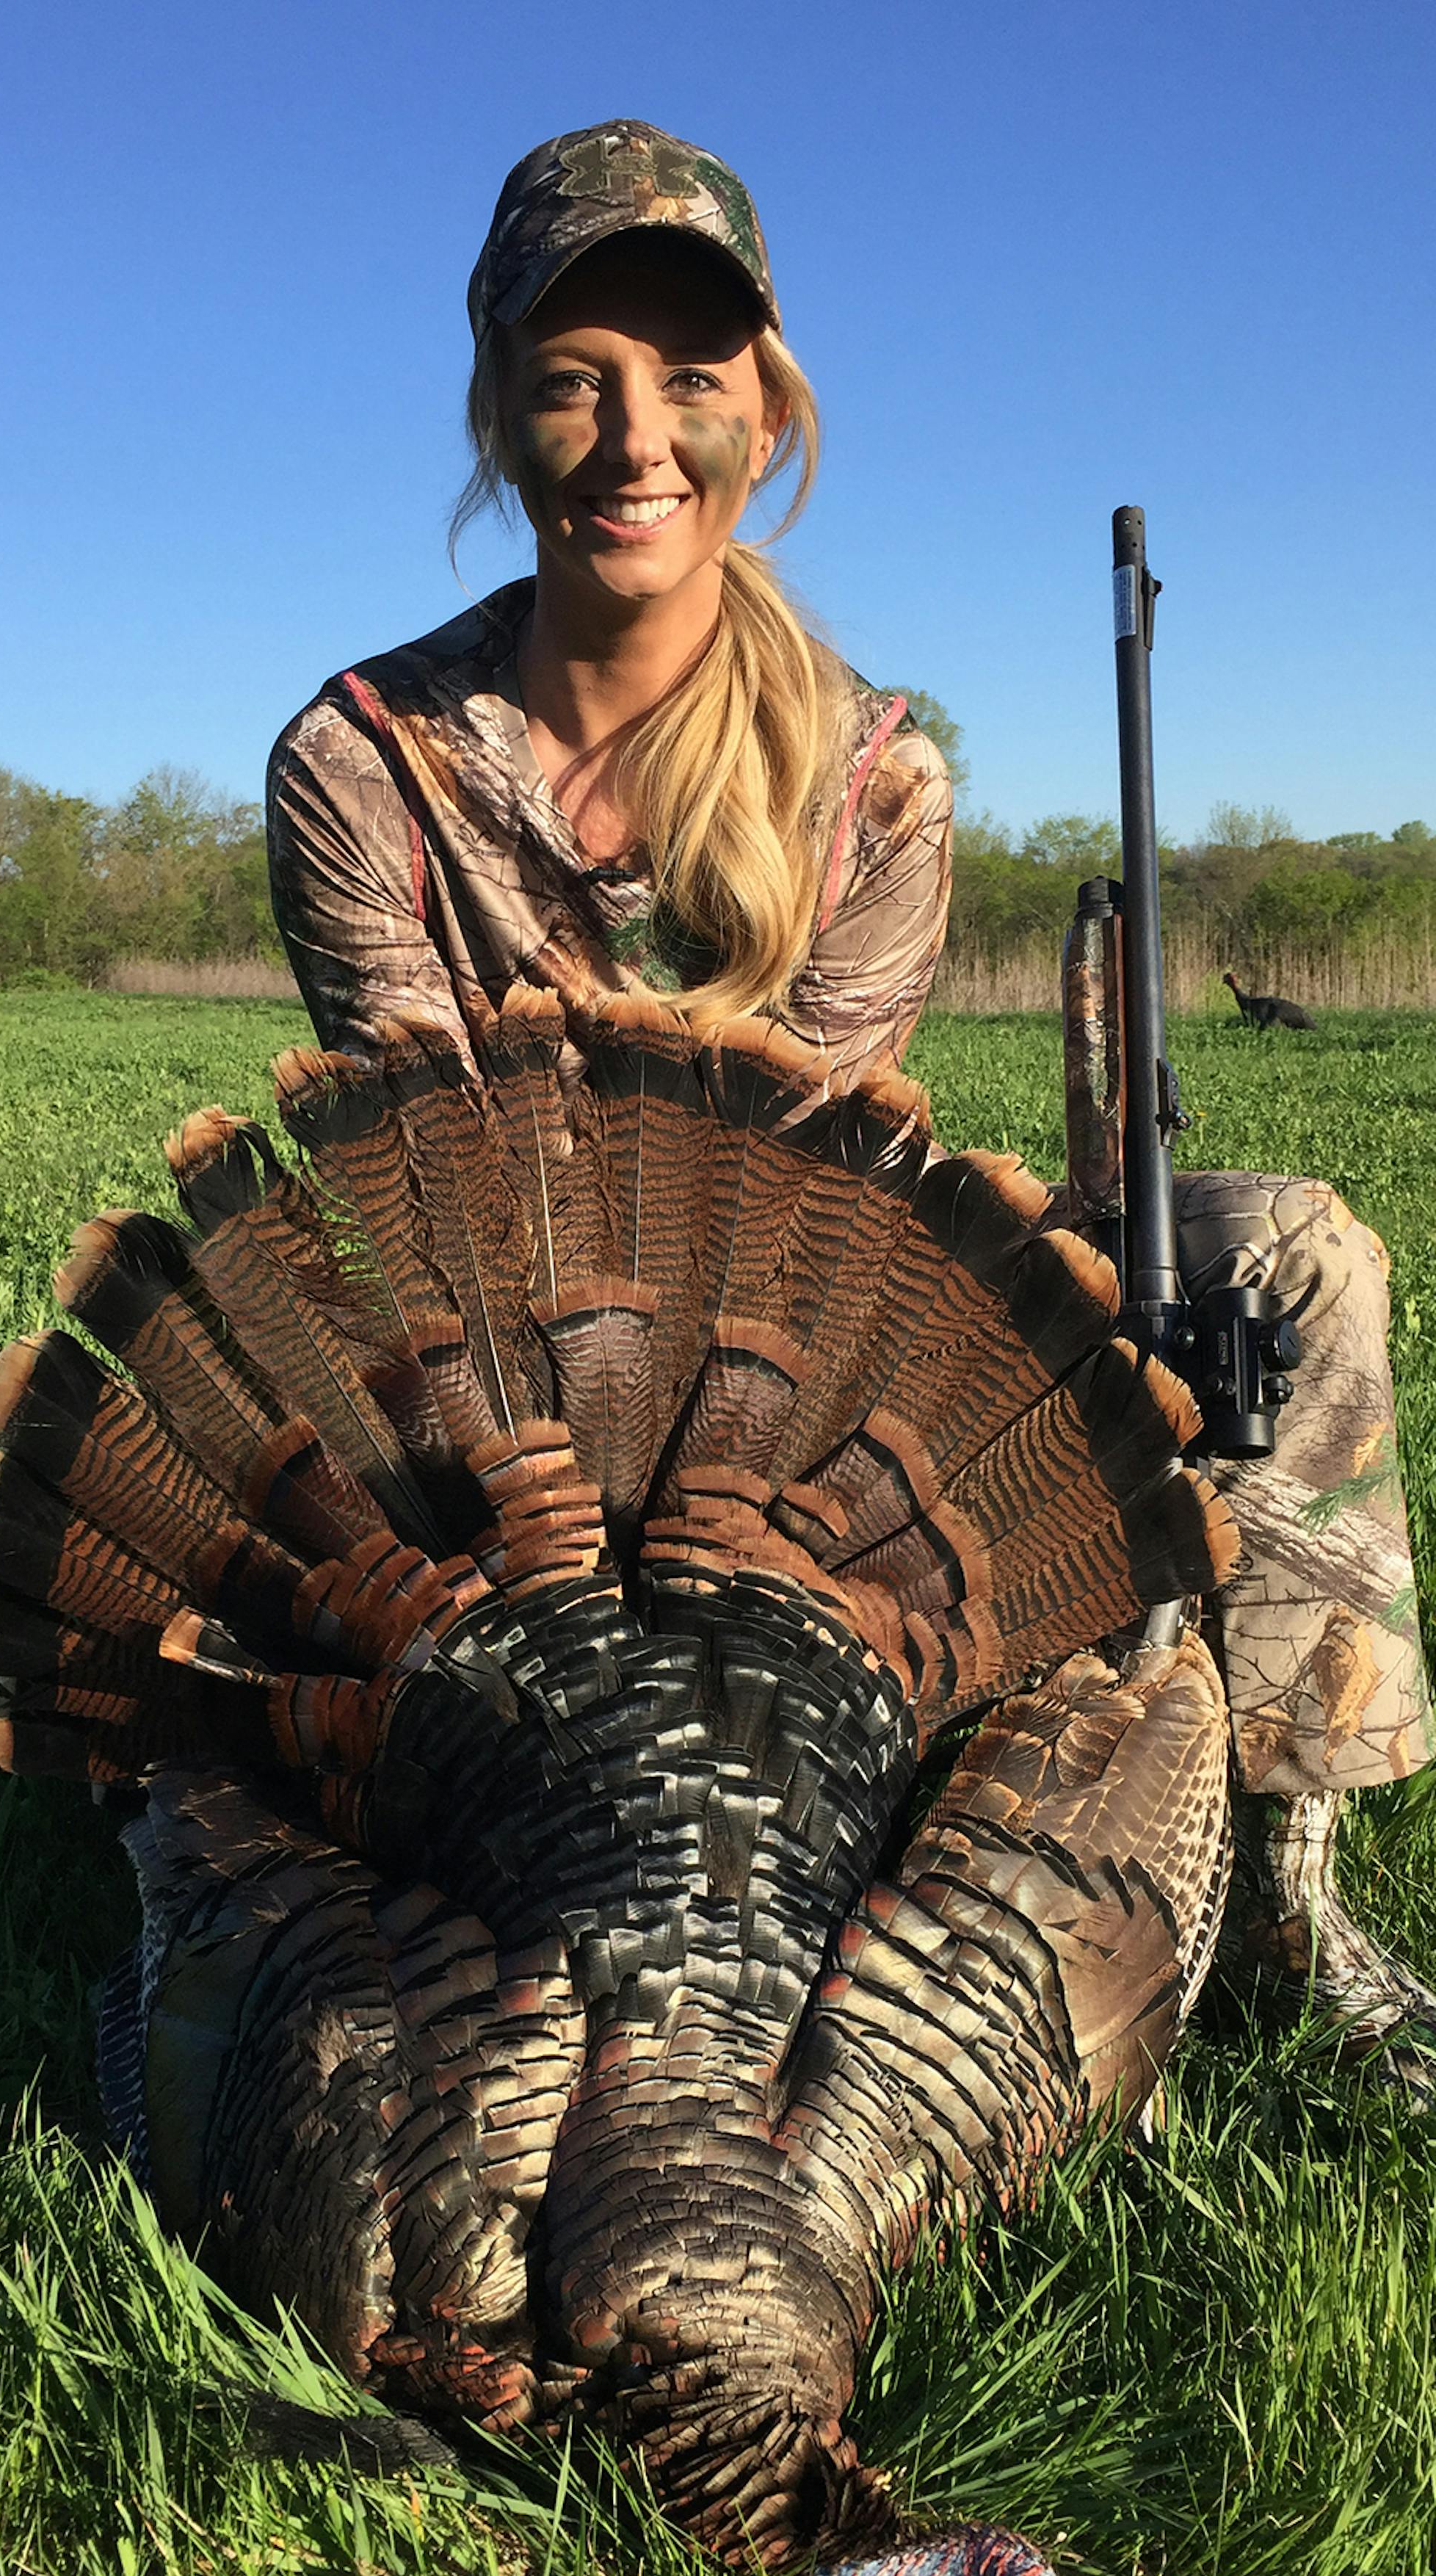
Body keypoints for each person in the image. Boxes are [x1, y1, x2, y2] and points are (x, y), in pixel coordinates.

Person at [266, 117, 1435, 2084]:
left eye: (693, 383)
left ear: (767, 409)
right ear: (498, 415)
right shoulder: (362, 762)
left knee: (1284, 1263)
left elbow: (811, 1217)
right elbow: (439, 1201)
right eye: (574, 382)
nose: (638, 439)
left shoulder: (876, 770)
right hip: (505, 1372)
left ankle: (1295, 1888)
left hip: (786, 1348)